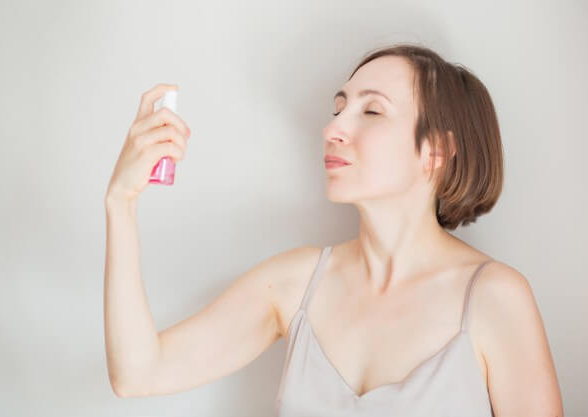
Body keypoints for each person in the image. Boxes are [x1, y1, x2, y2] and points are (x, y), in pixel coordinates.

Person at [104, 43, 563, 416]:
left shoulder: (494, 298)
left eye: (372, 112)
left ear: (437, 151)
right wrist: (120, 203)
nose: (333, 128)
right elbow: (139, 373)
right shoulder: (295, 284)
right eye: (339, 108)